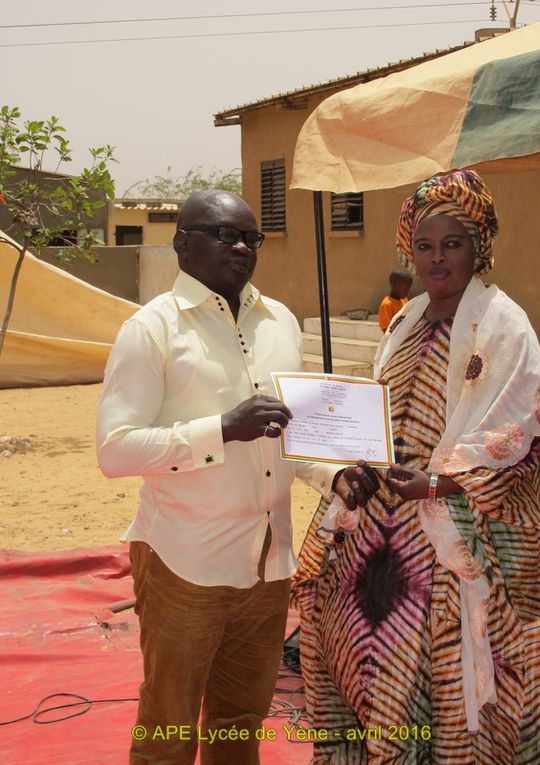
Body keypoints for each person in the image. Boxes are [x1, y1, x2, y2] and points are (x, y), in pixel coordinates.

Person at [292, 170, 540, 764]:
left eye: (453, 243)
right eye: (425, 245)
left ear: (480, 246)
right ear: (409, 250)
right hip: (378, 534)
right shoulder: (402, 322)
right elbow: (374, 410)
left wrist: (440, 482)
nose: (437, 258)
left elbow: (517, 426)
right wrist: (356, 463)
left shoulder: (504, 324)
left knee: (442, 677)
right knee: (362, 666)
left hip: (457, 537)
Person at [96, 189, 375, 765]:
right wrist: (221, 428)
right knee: (169, 726)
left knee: (240, 721)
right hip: (184, 559)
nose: (243, 246)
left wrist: (333, 474)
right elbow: (115, 451)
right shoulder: (151, 330)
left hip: (268, 563)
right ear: (182, 243)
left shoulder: (280, 321)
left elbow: (289, 436)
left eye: (253, 237)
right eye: (224, 234)